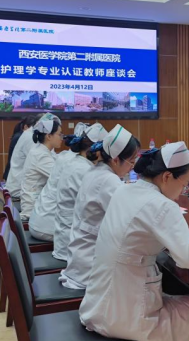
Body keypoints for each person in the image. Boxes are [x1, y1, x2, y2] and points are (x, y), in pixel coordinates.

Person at [79, 141, 189, 341]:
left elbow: (138, 229)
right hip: (124, 312)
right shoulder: (163, 205)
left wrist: (175, 235)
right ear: (167, 177)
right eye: (184, 184)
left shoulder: (125, 190)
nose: (183, 191)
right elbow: (188, 258)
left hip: (100, 301)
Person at [59, 124, 140, 289]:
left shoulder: (96, 171)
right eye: (131, 161)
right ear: (115, 159)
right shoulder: (108, 180)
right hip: (89, 267)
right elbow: (133, 218)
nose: (133, 166)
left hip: (81, 258)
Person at [52, 123, 108, 261]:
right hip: (71, 246)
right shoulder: (84, 170)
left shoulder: (76, 163)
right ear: (97, 152)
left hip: (66, 237)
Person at [28, 122, 88, 241]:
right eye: (60, 134)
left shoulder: (64, 156)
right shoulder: (77, 164)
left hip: (39, 218)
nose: (62, 137)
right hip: (46, 225)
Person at [20, 113, 63, 221]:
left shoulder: (41, 149)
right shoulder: (40, 155)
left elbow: (58, 161)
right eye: (59, 134)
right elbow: (61, 178)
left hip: (38, 204)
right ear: (49, 136)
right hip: (33, 210)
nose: (62, 138)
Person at [5, 112, 47, 199]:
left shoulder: (30, 134)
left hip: (19, 185)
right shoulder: (31, 138)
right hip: (20, 190)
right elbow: (42, 164)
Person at [3, 116, 37, 181]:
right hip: (15, 176)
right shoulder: (24, 137)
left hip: (12, 174)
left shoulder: (20, 135)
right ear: (26, 127)